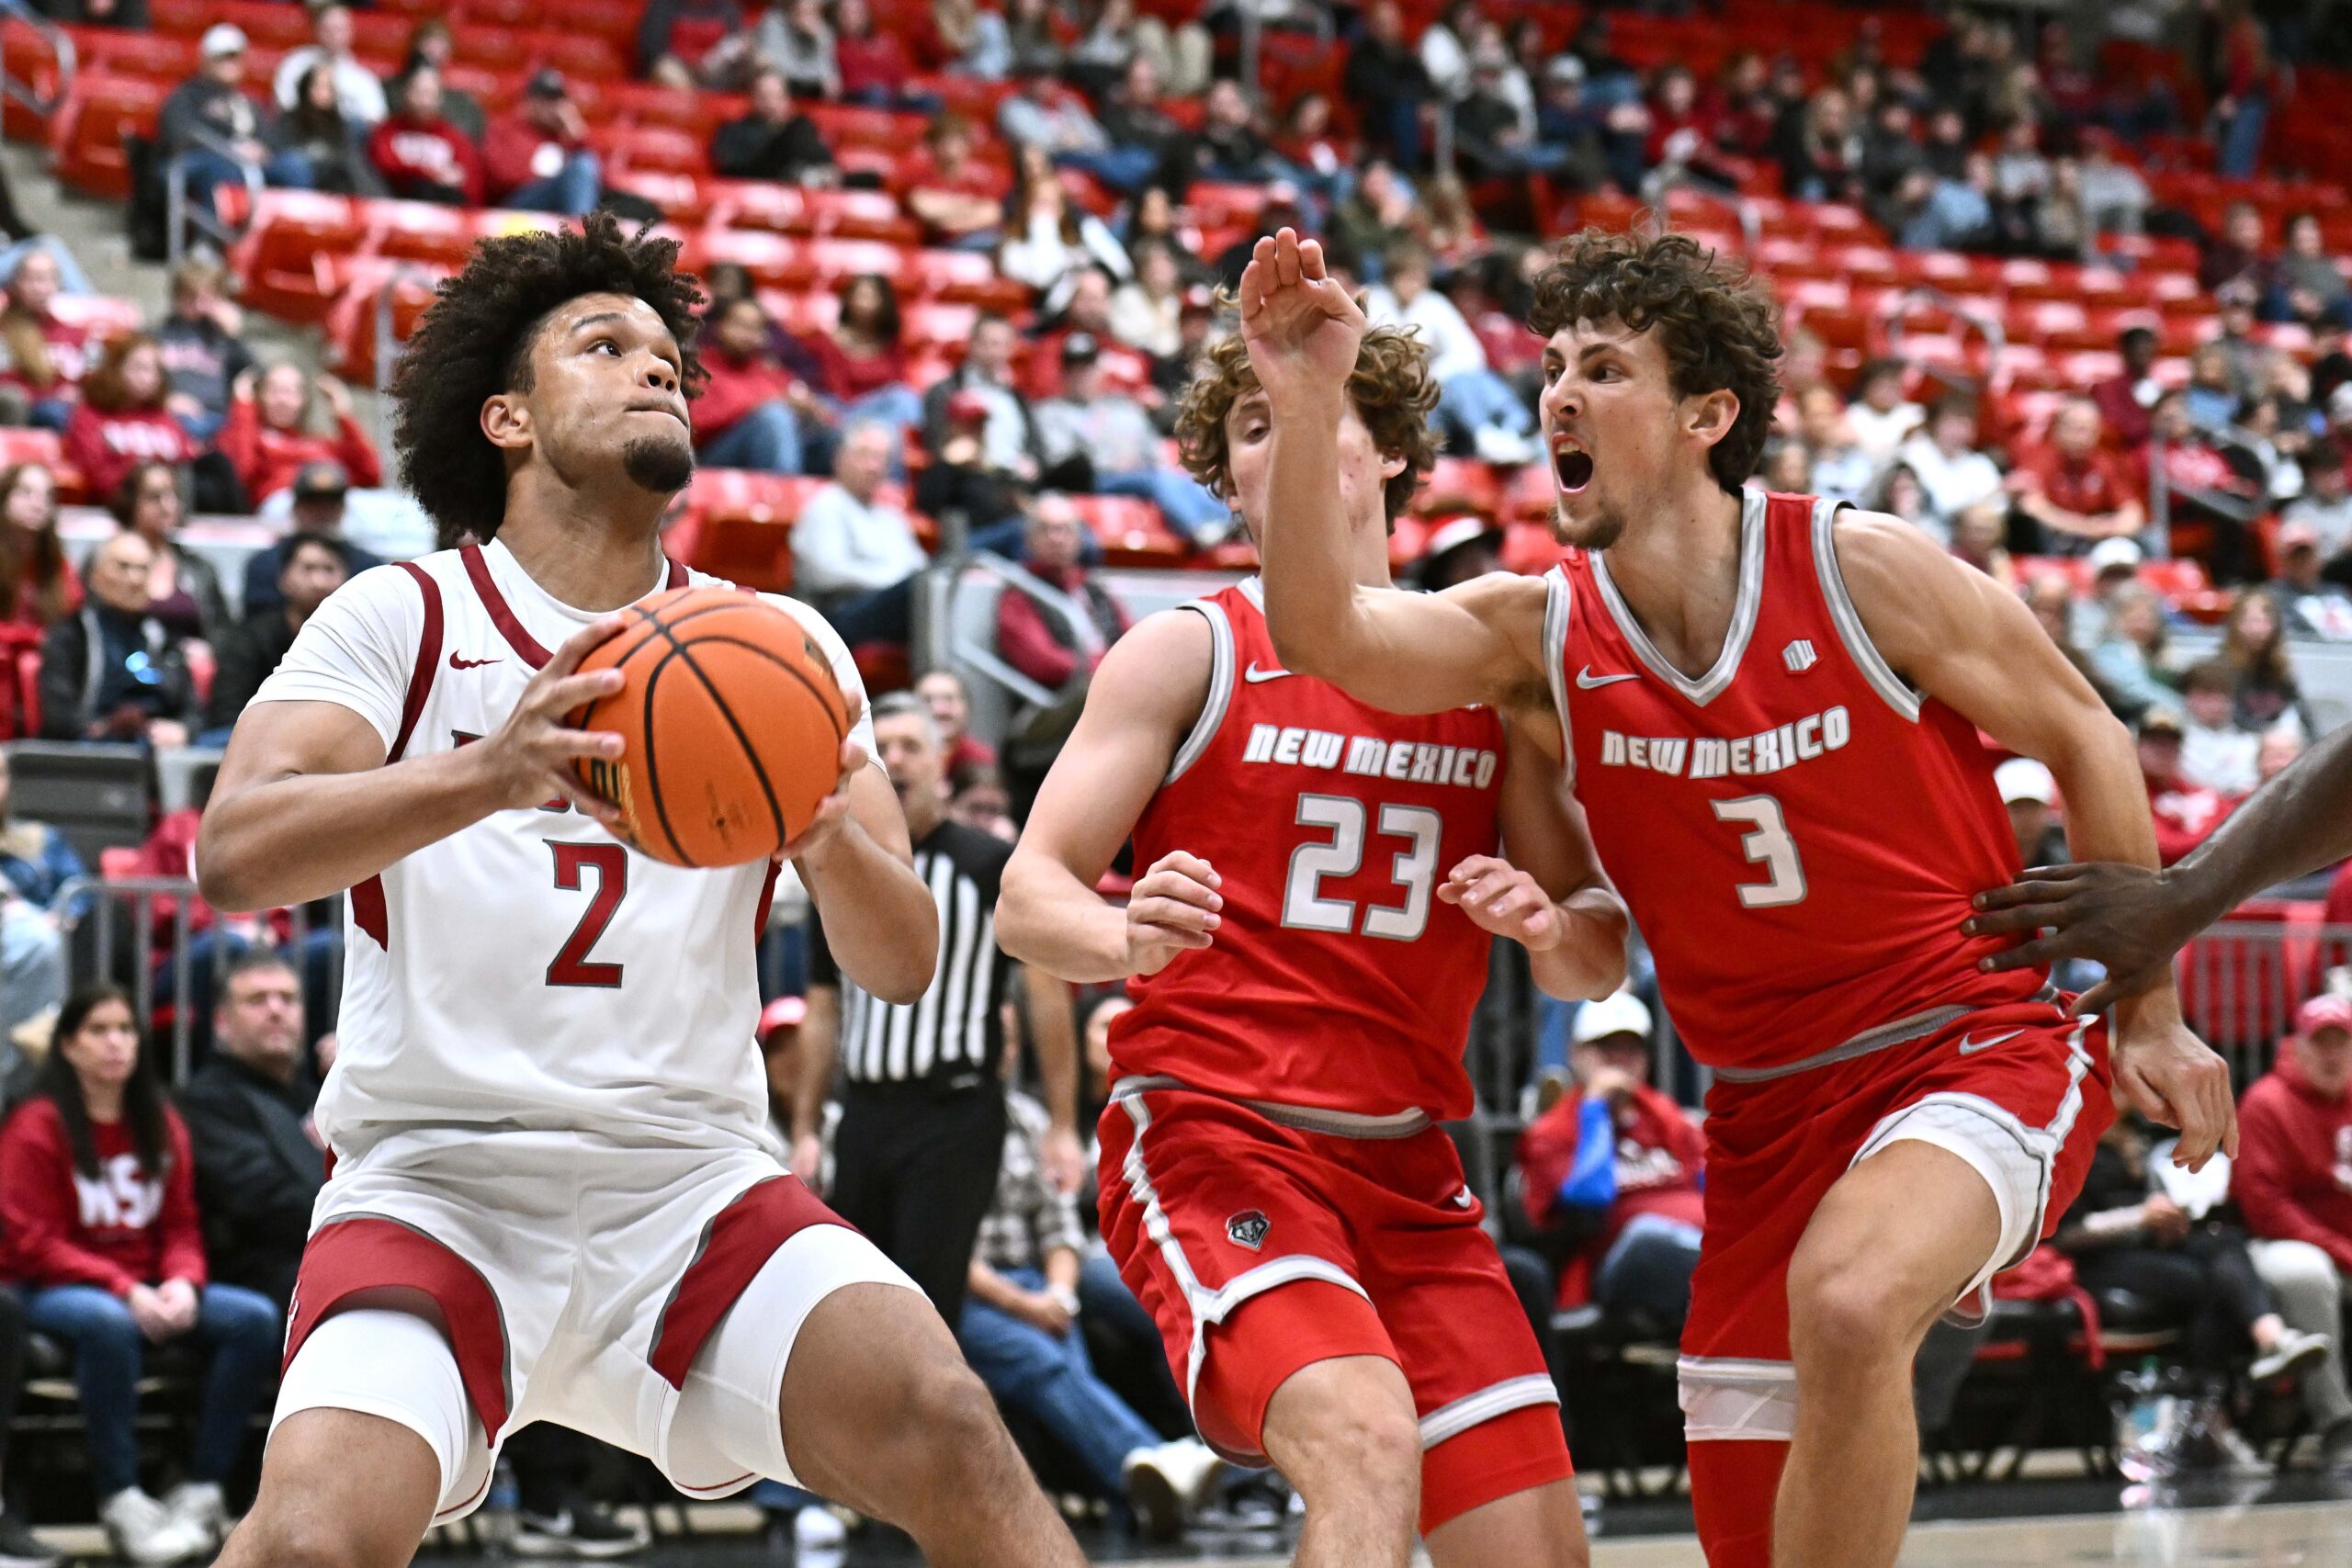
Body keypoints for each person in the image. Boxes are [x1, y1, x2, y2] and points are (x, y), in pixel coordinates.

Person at [1241, 226, 2230, 1568]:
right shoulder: (1540, 634)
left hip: (1966, 1045)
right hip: (1763, 1113)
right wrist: (1305, 401)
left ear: (1709, 413)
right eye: (1551, 367)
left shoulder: (1858, 566)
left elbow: (2090, 736)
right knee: (1752, 1537)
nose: (1559, 396)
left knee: (1851, 1299)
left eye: (1605, 366)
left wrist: (2150, 1011)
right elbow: (1329, 636)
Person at [195, 212, 1088, 1568]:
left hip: (690, 1180)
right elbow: (234, 851)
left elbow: (901, 960)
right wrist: (488, 773)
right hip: (439, 1175)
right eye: (604, 345)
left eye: (669, 354)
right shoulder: (406, 617)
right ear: (505, 416)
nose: (656, 369)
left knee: (952, 1424)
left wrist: (828, 836)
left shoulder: (778, 647)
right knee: (307, 1540)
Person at [996, 310, 1626, 1568]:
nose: (1277, 437)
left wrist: (1548, 926)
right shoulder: (1188, 649)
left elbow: (1599, 954)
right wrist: (1127, 933)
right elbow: (1028, 896)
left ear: (1387, 448)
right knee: (1362, 1436)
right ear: (1229, 473)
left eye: (1309, 405)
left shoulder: (1481, 670)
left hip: (1412, 1173)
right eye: (1249, 421)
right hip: (1220, 1134)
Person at [795, 696, 1081, 1323]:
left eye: (910, 747)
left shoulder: (987, 863)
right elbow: (822, 1007)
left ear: (942, 760)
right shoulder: (845, 868)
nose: (894, 760)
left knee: (925, 1305)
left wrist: (1062, 1122)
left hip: (955, 1113)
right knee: (851, 1300)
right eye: (883, 749)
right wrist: (806, 1128)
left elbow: (1045, 992)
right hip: (866, 1111)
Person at [0, 986, 281, 1564]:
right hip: (53, 1289)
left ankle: (201, 1488)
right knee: (108, 1325)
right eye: (99, 1031)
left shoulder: (159, 1120)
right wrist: (123, 1287)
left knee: (253, 1319)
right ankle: (120, 1496)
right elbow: (31, 1241)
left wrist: (184, 1281)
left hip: (147, 1284)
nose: (116, 1044)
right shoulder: (37, 1124)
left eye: (126, 1030)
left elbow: (181, 1223)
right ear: (70, 1047)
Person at [960, 1088, 1220, 1535]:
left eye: (1003, 1036)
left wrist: (1058, 1297)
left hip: (1039, 1281)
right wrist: (1026, 1305)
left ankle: (1134, 1502)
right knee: (1043, 1363)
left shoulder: (1026, 1119)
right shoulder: (931, 1124)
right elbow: (941, 1251)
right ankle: (1158, 1459)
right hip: (963, 1294)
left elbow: (1059, 1228)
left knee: (1070, 1360)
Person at [2052, 1114, 2327, 1398]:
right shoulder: (2071, 1141)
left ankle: (2272, 1338)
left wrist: (2170, 1224)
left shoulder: (2136, 1134)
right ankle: (2210, 1400)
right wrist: (2142, 1217)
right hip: (2094, 1259)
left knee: (2223, 1241)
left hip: (2143, 1244)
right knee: (2203, 1282)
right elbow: (2064, 1233)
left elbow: (2146, 1205)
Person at [1514, 988, 1707, 1328]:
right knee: (1649, 1238)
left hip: (1695, 1245)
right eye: (1607, 1050)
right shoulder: (1553, 1131)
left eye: (1632, 1050)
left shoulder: (1666, 1116)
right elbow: (1590, 1196)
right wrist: (1595, 1109)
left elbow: (1718, 1186)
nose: (1621, 1061)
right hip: (1618, 1265)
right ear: (1576, 1054)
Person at [2232, 993, 2352, 1467]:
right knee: (2309, 1275)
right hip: (2279, 1244)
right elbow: (2266, 1208)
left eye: (2342, 1043)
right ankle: (2338, 1423)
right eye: (2320, 1043)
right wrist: (2342, 1250)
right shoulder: (2265, 1103)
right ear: (2296, 1047)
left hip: (2342, 1244)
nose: (2332, 1054)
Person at [177, 950, 328, 1310]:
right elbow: (261, 1201)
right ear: (222, 1021)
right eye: (257, 1000)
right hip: (257, 1271)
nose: (276, 1010)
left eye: (288, 999)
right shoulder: (206, 1100)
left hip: (326, 1247)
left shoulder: (321, 1095)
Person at [1033, 334, 1228, 545]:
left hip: (1139, 473)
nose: (1082, 376)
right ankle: (1198, 529)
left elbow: (1151, 448)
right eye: (1074, 370)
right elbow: (1063, 462)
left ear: (1099, 371)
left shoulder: (1123, 408)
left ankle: (1229, 524)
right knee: (1156, 479)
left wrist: (1140, 462)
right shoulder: (1051, 412)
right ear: (1064, 375)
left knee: (1194, 480)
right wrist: (1113, 465)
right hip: (1095, 480)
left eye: (1087, 368)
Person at [37, 531, 198, 749]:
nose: (135, 579)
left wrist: (183, 731)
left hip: (157, 746)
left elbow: (194, 711)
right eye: (123, 567)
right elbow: (59, 716)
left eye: (143, 569)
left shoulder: (163, 637)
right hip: (93, 751)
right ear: (95, 576)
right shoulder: (72, 634)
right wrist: (104, 727)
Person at [789, 421, 929, 645]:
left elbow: (920, 567)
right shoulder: (826, 506)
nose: (874, 466)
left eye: (882, 458)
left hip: (890, 610)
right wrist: (893, 582)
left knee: (936, 588)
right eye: (865, 455)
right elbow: (826, 575)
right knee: (919, 591)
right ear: (840, 459)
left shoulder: (890, 517)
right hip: (839, 615)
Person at [158, 26, 316, 221]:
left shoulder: (249, 102)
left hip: (247, 164)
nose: (231, 63)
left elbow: (270, 138)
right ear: (206, 60)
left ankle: (292, 230)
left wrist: (262, 150)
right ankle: (210, 242)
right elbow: (179, 135)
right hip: (201, 158)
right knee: (223, 167)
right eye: (224, 57)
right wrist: (228, 149)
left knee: (294, 164)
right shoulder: (186, 95)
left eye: (236, 57)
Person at [207, 535, 348, 739]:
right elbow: (227, 710)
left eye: (329, 570)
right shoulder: (250, 637)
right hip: (254, 739)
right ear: (284, 578)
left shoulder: (354, 641)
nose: (319, 582)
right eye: (308, 569)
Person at [996, 491, 1127, 692]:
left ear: (1079, 537)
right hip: (1059, 704)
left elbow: (1132, 638)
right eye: (1045, 529)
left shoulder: (1095, 589)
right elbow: (1040, 662)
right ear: (1030, 539)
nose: (1056, 538)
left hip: (1107, 686)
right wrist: (1104, 667)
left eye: (1065, 529)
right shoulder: (1019, 594)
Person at [219, 363, 383, 511]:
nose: (282, 400)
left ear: (303, 400)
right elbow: (241, 472)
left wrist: (342, 413)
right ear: (259, 396)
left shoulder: (318, 443)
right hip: (284, 504)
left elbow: (371, 473)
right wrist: (243, 406)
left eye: (290, 392)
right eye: (274, 391)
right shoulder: (250, 436)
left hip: (334, 503)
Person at [63, 334, 200, 505]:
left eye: (154, 370)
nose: (147, 378)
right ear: (116, 369)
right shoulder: (90, 415)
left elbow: (186, 459)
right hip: (119, 501)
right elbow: (94, 472)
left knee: (213, 464)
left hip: (169, 501)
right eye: (139, 368)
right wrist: (143, 483)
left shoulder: (164, 417)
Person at [240, 461, 384, 618]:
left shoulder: (368, 567)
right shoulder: (265, 565)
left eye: (331, 503)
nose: (322, 512)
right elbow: (257, 625)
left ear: (343, 508)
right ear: (296, 506)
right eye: (312, 502)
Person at [694, 296, 814, 474]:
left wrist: (810, 409)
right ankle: (784, 492)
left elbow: (805, 402)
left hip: (771, 451)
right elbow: (697, 425)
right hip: (716, 454)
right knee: (775, 415)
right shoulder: (699, 366)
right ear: (720, 326)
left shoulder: (768, 368)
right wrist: (761, 405)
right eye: (739, 325)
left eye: (754, 329)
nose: (746, 335)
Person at [2007, 399, 2145, 555]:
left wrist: (2107, 528)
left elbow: (2133, 515)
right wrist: (2086, 527)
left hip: (2097, 541)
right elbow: (2032, 508)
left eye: (2090, 430)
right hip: (2055, 540)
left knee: (2147, 541)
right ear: (2058, 429)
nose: (2083, 438)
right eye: (2077, 429)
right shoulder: (2040, 459)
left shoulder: (2104, 463)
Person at [109, 461, 228, 642]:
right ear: (131, 501)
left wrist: (209, 653)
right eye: (155, 497)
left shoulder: (199, 568)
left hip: (190, 667)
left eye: (174, 495)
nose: (168, 506)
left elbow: (225, 632)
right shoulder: (108, 562)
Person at [153, 258, 256, 446]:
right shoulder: (156, 336)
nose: (200, 306)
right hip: (170, 418)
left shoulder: (225, 338)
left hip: (218, 420)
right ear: (176, 297)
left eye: (207, 299)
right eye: (191, 298)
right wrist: (163, 400)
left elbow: (255, 376)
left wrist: (234, 337)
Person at [483, 71, 602, 217]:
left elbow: (600, 180)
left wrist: (577, 136)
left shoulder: (565, 137)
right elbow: (499, 175)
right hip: (513, 206)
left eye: (556, 100)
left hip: (557, 206)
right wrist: (544, 177)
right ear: (528, 101)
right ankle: (582, 233)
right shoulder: (503, 128)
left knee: (583, 163)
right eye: (545, 100)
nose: (551, 107)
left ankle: (580, 230)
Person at [0, 249, 95, 431]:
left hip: (71, 409)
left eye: (47, 279)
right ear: (16, 284)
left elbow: (97, 380)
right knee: (52, 412)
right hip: (30, 413)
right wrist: (51, 395)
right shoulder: (4, 331)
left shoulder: (77, 334)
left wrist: (80, 394)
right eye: (31, 279)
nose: (39, 288)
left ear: (58, 284)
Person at [367, 65, 483, 207]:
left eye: (430, 94)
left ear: (440, 98)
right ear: (406, 92)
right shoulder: (386, 131)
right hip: (393, 206)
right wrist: (431, 174)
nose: (424, 101)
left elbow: (468, 183)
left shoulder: (456, 139)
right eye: (419, 92)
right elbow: (384, 165)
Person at [709, 66, 838, 185]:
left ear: (786, 100)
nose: (771, 103)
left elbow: (824, 159)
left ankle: (810, 176)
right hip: (758, 181)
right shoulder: (733, 130)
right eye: (765, 96)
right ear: (752, 98)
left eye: (777, 97)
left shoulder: (800, 130)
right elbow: (729, 168)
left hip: (797, 188)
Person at [271, 2, 386, 127]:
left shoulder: (363, 79)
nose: (334, 35)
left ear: (351, 31)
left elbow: (375, 119)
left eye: (340, 29)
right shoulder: (295, 63)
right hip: (302, 134)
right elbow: (284, 106)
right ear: (316, 30)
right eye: (328, 29)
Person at [0, 462, 75, 633]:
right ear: (3, 499)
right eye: (26, 492)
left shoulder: (59, 566)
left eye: (47, 496)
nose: (38, 504)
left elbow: (71, 624)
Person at [2177, 659, 2260, 797]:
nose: (2216, 704)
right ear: (2188, 697)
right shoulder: (2169, 741)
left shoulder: (2249, 743)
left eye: (2223, 695)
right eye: (2206, 695)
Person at [917, 667, 996, 787]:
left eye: (948, 699)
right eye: (927, 700)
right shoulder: (897, 760)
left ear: (967, 708)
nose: (938, 710)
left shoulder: (981, 761)